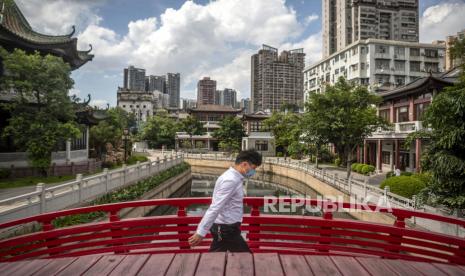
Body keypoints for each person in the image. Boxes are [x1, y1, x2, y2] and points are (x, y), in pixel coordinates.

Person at [188, 149, 262, 252]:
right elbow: (215, 207)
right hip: (225, 229)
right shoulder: (230, 180)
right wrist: (201, 232)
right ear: (244, 164)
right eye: (253, 168)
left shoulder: (234, 178)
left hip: (226, 227)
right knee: (244, 258)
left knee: (216, 255)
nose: (253, 172)